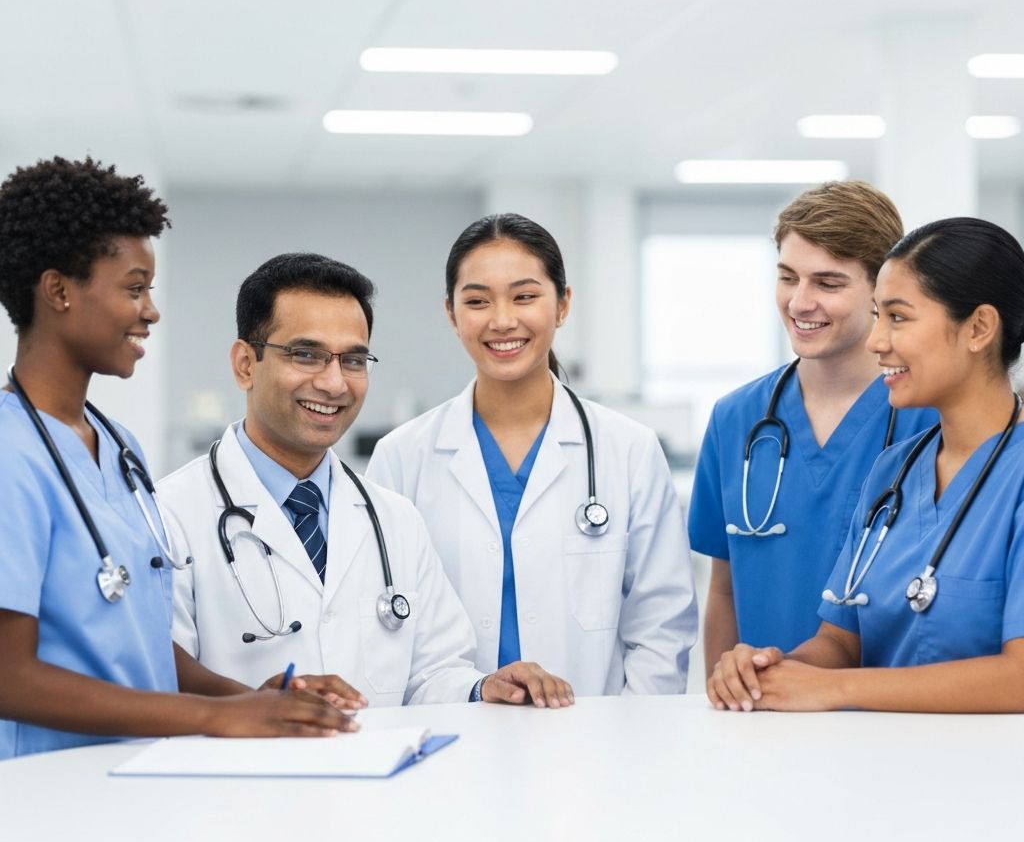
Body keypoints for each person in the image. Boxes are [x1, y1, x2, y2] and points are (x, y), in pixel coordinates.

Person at [0, 157, 353, 760]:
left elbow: (135, 641)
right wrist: (213, 719)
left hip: (135, 777)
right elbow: (10, 677)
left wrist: (248, 701)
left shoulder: (120, 448)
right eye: (134, 289)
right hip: (47, 795)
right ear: (57, 290)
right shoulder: (11, 454)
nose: (151, 311)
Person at [159, 252, 573, 710]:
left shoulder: (394, 519)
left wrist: (482, 688)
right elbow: (157, 681)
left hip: (382, 777)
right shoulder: (171, 516)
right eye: (307, 355)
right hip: (237, 779)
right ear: (244, 364)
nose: (335, 384)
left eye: (354, 360)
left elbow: (435, 672)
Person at [366, 213, 698, 696]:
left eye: (525, 296)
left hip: (595, 743)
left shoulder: (627, 450)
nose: (502, 320)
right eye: (477, 301)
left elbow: (661, 626)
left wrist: (626, 740)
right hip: (451, 733)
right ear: (451, 313)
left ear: (562, 305)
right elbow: (388, 629)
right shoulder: (402, 457)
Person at [708, 217, 1024, 712]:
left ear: (979, 328)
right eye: (877, 315)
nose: (877, 341)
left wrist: (836, 690)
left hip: (988, 781)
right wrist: (770, 669)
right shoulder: (893, 471)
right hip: (872, 769)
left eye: (897, 318)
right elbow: (840, 642)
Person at [689, 181, 938, 676]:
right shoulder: (736, 418)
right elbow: (724, 587)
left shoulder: (931, 419)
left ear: (880, 291)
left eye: (828, 284)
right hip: (765, 714)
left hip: (894, 719)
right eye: (787, 277)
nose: (800, 303)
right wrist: (725, 697)